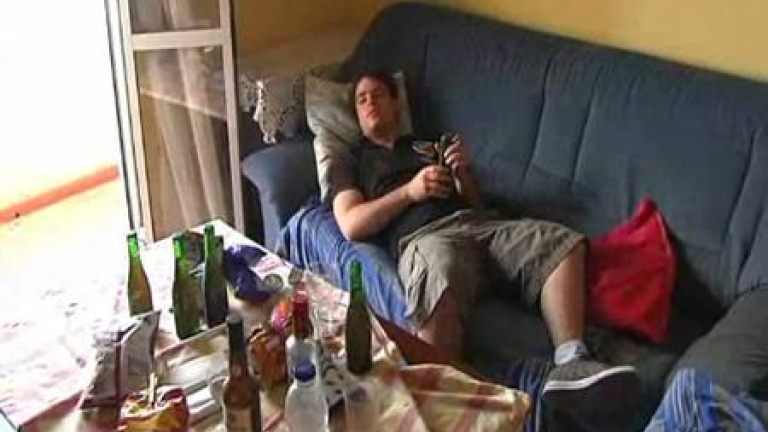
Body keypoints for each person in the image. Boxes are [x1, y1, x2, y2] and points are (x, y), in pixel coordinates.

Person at [331, 70, 639, 412]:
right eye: (361, 100)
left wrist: (463, 174)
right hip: (426, 238)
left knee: (559, 241)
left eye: (377, 95)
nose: (370, 103)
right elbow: (351, 224)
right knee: (439, 274)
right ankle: (440, 405)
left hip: (480, 225)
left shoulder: (425, 144)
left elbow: (475, 203)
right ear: (356, 116)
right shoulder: (352, 160)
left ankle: (571, 363)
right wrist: (410, 192)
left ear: (395, 103)